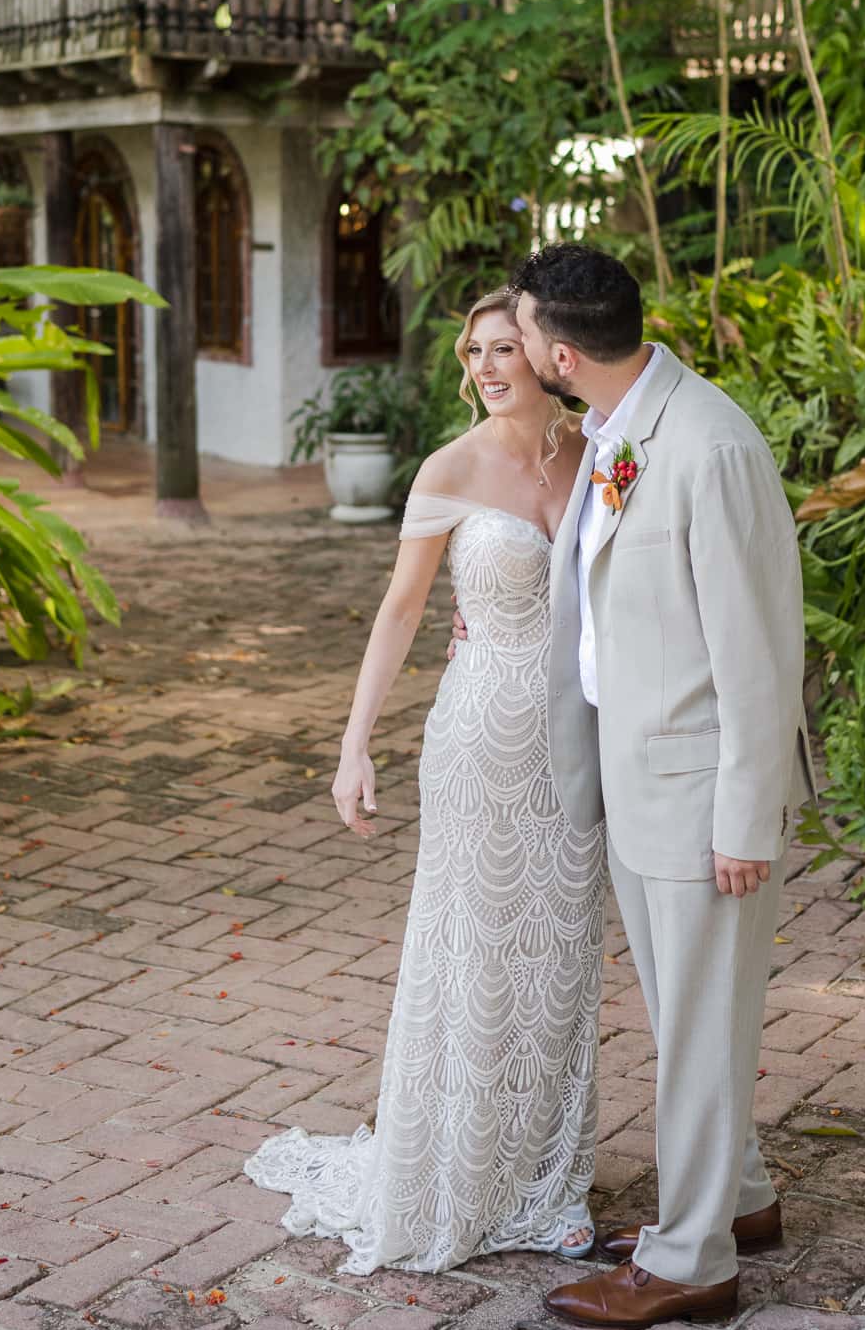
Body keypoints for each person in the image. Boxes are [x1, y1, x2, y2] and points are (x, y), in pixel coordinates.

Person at [244, 289, 605, 1272]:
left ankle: (547, 1180)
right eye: (475, 352)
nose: (487, 368)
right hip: (478, 737)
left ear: (547, 357)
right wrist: (355, 743)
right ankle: (455, 1170)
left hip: (579, 738)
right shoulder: (449, 468)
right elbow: (401, 611)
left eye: (505, 350)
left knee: (561, 958)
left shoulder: (598, 457)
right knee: (475, 954)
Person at [507, 243, 814, 1330]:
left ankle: (692, 1258)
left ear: (554, 349)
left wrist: (746, 814)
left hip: (699, 798)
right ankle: (739, 1196)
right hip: (641, 779)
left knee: (695, 1025)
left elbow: (761, 649)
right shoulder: (619, 428)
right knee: (693, 1019)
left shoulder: (711, 444)